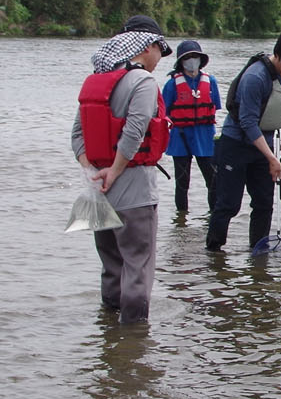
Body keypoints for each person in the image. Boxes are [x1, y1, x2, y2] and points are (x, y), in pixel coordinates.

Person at [71, 19, 172, 323]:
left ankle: (108, 331)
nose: (159, 59)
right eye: (160, 51)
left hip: (97, 193)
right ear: (148, 46)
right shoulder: (142, 82)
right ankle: (133, 341)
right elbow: (135, 130)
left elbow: (76, 136)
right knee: (137, 267)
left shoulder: (97, 80)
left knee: (111, 264)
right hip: (134, 192)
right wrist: (114, 171)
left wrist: (94, 171)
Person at [206, 31, 281, 253]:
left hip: (265, 146)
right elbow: (247, 122)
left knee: (263, 203)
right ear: (277, 55)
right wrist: (272, 158)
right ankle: (213, 252)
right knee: (228, 204)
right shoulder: (256, 77)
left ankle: (258, 254)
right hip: (236, 144)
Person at [161, 39, 221, 217]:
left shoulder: (211, 82)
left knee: (213, 181)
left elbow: (216, 106)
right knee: (182, 183)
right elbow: (164, 112)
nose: (192, 60)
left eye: (195, 57)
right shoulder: (171, 84)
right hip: (181, 138)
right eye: (188, 57)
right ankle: (181, 220)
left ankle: (214, 216)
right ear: (181, 61)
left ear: (201, 60)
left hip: (205, 137)